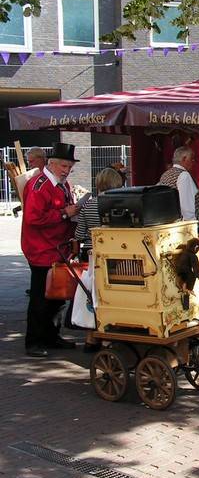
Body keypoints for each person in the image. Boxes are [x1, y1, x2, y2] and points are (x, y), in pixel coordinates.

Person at [21, 143, 81, 357]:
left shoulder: (62, 184)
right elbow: (33, 218)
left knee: (57, 296)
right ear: (52, 163)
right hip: (41, 249)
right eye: (64, 165)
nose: (67, 170)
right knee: (41, 297)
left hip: (57, 248)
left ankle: (51, 336)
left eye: (70, 166)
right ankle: (34, 341)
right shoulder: (40, 185)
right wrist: (64, 214)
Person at [74, 168, 124, 259]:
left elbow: (79, 235)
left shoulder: (87, 205)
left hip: (91, 250)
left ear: (98, 183)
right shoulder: (122, 205)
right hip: (116, 249)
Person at [159, 146, 199, 231]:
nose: (193, 162)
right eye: (192, 159)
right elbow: (186, 206)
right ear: (184, 159)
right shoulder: (184, 175)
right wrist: (192, 229)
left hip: (173, 227)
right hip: (187, 229)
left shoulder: (165, 174)